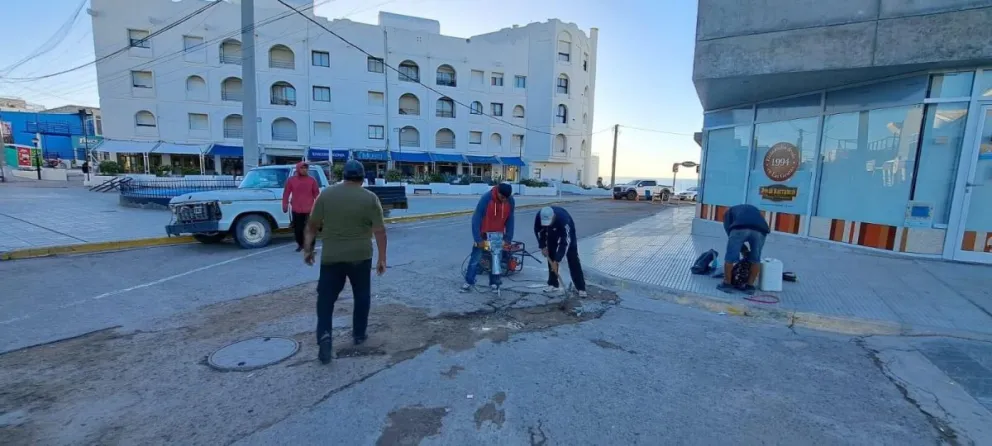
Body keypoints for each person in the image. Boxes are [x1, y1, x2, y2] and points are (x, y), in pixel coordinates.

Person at [303, 160, 387, 365]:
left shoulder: (326, 194)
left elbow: (312, 225)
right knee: (361, 295)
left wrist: (308, 249)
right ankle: (359, 334)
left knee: (325, 299)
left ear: (344, 176)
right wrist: (382, 258)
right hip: (361, 256)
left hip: (332, 256)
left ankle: (324, 335)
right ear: (362, 178)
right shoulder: (370, 198)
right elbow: (380, 231)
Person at [462, 183, 516, 293]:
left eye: (506, 198)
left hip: (497, 236)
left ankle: (495, 283)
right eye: (502, 197)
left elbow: (510, 220)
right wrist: (478, 239)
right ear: (498, 192)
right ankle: (469, 281)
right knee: (475, 259)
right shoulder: (486, 198)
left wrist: (508, 239)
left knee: (496, 261)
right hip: (483, 235)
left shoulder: (510, 201)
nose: (504, 200)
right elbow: (476, 218)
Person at [534, 206, 587, 297]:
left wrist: (557, 260)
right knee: (550, 254)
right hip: (551, 232)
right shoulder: (539, 216)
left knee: (572, 257)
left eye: (548, 222)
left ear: (553, 217)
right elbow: (539, 231)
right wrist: (542, 246)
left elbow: (565, 242)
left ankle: (581, 288)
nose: (546, 224)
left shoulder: (564, 221)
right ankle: (553, 284)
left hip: (566, 234)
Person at [718, 204, 770, 295]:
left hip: (739, 229)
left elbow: (729, 232)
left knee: (730, 258)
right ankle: (749, 286)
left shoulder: (728, 213)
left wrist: (741, 248)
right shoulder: (754, 209)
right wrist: (745, 250)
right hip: (760, 230)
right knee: (755, 259)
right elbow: (760, 221)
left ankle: (727, 284)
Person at [283, 162, 320, 252]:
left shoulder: (312, 180)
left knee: (310, 229)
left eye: (306, 168)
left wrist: (320, 206)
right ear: (298, 169)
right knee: (298, 230)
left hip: (309, 209)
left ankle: (311, 246)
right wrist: (285, 205)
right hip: (296, 209)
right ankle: (301, 244)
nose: (304, 170)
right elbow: (286, 193)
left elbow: (317, 194)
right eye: (302, 168)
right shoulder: (291, 180)